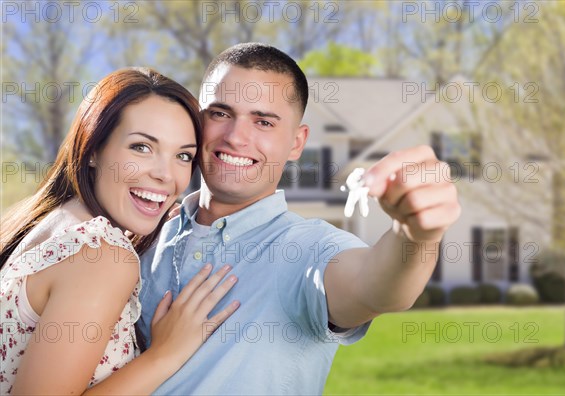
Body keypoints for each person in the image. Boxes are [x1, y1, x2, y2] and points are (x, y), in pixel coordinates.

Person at [138, 43, 461, 395]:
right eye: (220, 113)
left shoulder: (307, 248)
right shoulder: (148, 231)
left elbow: (376, 288)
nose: (235, 137)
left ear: (297, 142)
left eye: (263, 121)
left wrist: (414, 237)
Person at [0, 68, 240, 395]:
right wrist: (164, 355)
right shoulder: (102, 255)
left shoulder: (50, 221)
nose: (166, 176)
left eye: (183, 156)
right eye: (141, 147)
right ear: (94, 148)